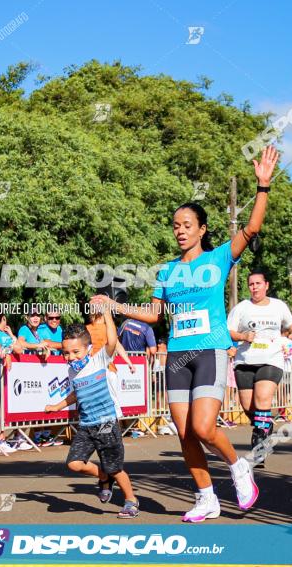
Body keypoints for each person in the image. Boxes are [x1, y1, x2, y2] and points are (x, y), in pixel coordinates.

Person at [93, 145, 279, 522]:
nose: (179, 231)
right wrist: (117, 307)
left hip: (210, 350)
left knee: (203, 426)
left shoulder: (219, 257)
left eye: (186, 225)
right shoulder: (167, 271)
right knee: (184, 432)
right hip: (178, 354)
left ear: (202, 229)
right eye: (175, 226)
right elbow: (153, 315)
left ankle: (238, 467)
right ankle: (206, 497)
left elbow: (252, 228)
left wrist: (262, 187)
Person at [44, 304, 139, 518]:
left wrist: (106, 313)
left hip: (106, 423)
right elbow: (75, 394)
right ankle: (103, 476)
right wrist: (57, 406)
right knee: (74, 464)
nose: (70, 357)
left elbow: (113, 341)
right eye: (66, 353)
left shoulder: (99, 360)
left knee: (115, 467)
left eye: (75, 352)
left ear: (88, 348)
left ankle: (131, 500)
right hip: (86, 425)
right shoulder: (71, 371)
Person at [227, 271, 292, 466]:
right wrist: (243, 337)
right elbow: (229, 331)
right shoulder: (241, 308)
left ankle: (259, 444)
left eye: (258, 283)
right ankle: (265, 423)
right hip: (245, 360)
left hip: (272, 358)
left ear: (266, 285)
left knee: (262, 399)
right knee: (249, 406)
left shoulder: (278, 305)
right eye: (251, 284)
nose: (254, 287)